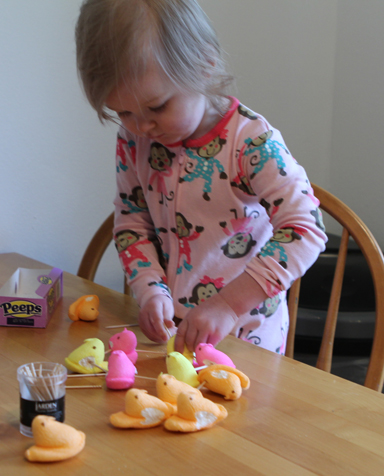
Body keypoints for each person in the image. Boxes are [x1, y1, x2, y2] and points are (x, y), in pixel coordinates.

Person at [75, 0, 327, 355]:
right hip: (174, 336)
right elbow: (132, 223)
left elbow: (305, 227)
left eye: (157, 106)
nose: (142, 126)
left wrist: (228, 304)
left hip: (248, 340)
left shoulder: (252, 143)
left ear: (204, 64)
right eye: (123, 112)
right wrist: (149, 289)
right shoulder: (134, 140)